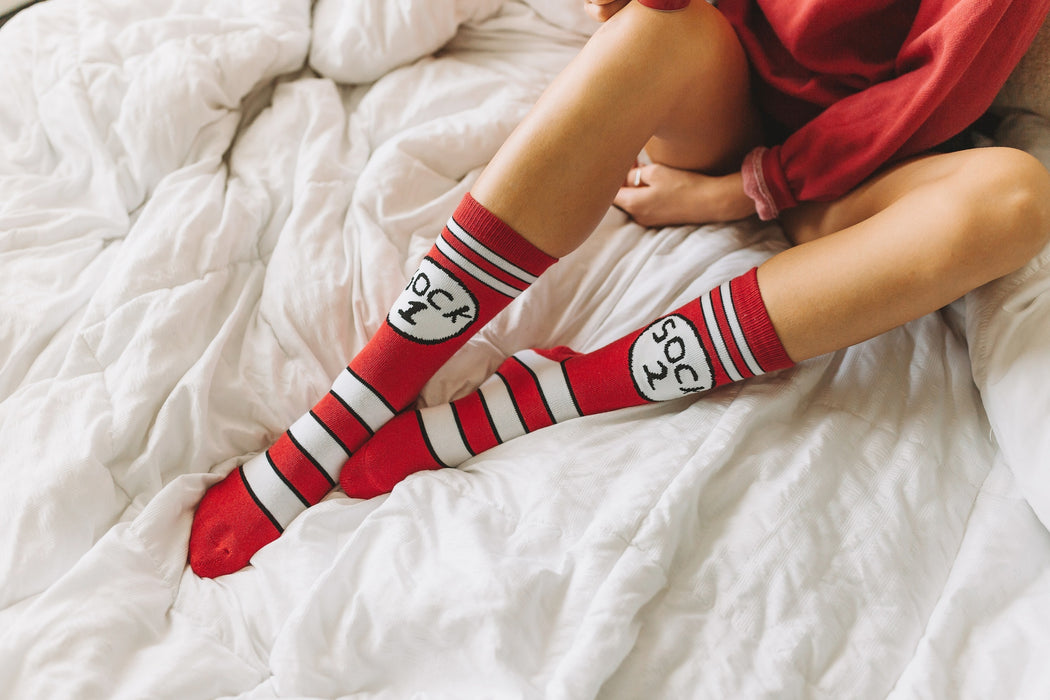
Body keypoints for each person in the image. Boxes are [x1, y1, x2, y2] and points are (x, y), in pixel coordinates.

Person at [189, 0, 1050, 578]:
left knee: (1016, 198)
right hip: (722, 98)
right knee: (651, 29)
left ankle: (559, 392)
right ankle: (364, 395)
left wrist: (745, 191)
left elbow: (924, 103)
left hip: (859, 171)